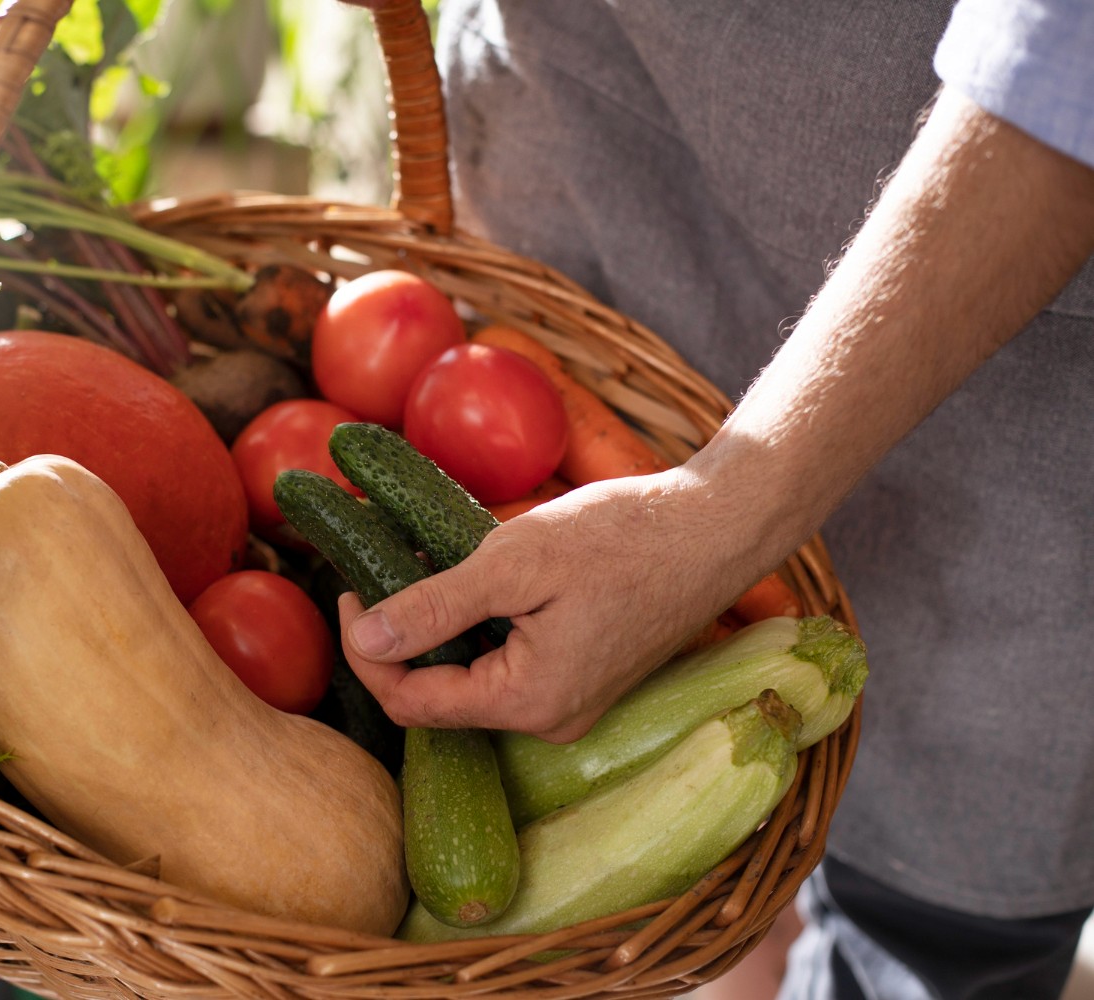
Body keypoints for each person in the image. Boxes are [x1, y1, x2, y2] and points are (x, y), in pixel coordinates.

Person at [333, 1, 1094, 997]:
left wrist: (712, 520)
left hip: (986, 328)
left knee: (924, 932)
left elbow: (1061, 77)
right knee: (701, 898)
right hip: (599, 183)